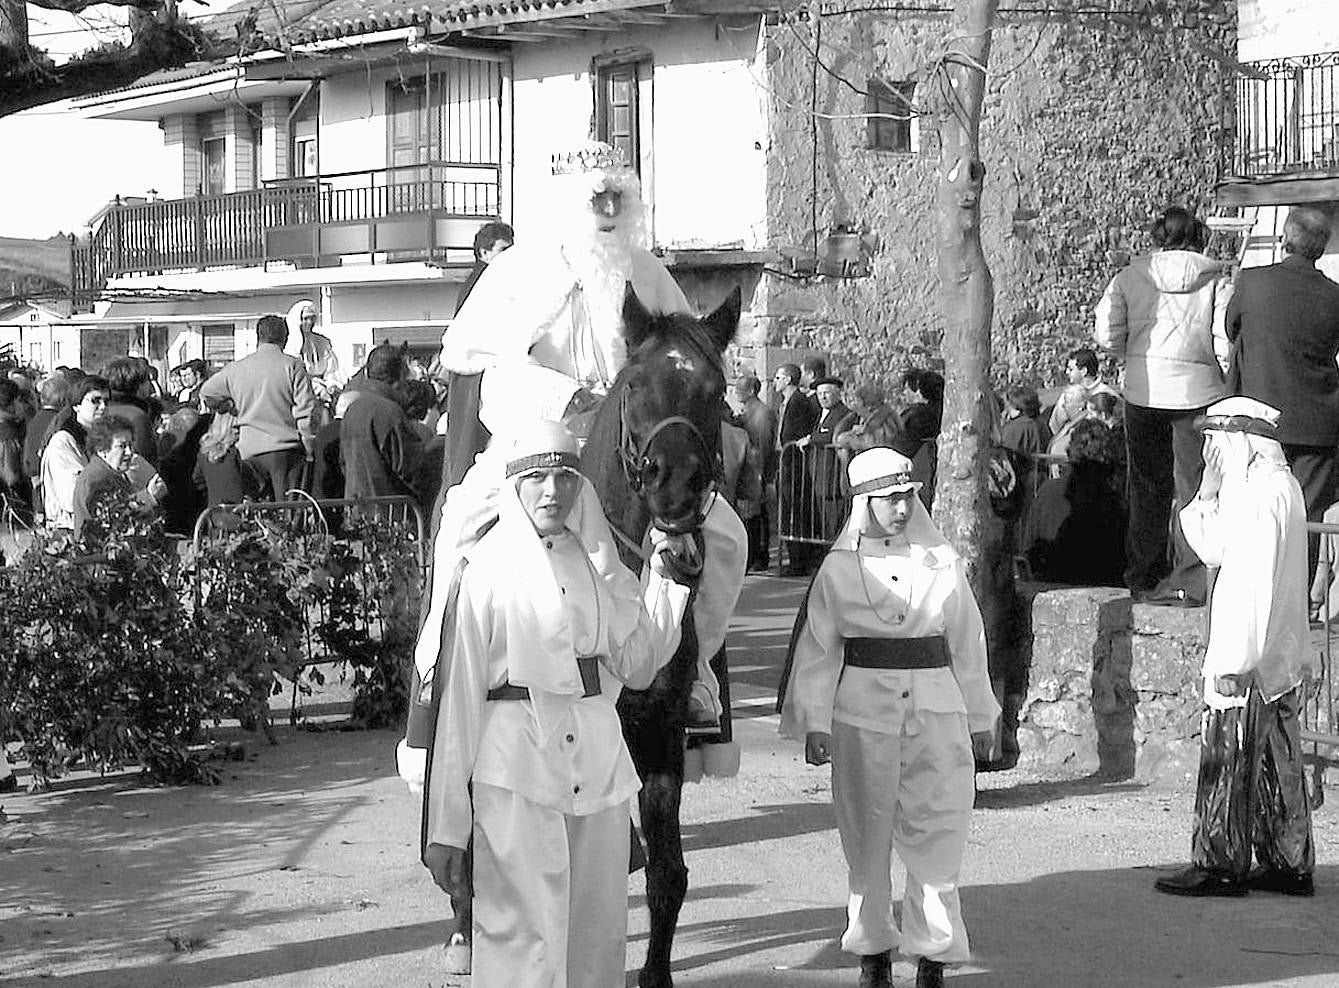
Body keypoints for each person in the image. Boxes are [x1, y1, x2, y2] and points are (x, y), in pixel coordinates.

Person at [421, 420, 699, 988]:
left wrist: (666, 582)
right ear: (515, 486)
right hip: (517, 776)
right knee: (524, 945)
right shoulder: (484, 571)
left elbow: (639, 663)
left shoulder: (597, 569)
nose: (553, 492)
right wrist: (446, 828)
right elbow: (460, 707)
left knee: (598, 940)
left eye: (565, 478)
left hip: (595, 775)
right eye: (538, 478)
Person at [778, 446, 1000, 988]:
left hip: (937, 711)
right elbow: (819, 649)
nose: (901, 508)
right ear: (863, 503)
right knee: (867, 836)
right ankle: (873, 950)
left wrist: (980, 714)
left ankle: (935, 956)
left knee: (940, 832)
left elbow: (967, 642)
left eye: (907, 497)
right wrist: (816, 722)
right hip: (863, 716)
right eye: (888, 499)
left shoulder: (941, 560)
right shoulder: (837, 569)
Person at [1154, 396, 1314, 898]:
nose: (1210, 453)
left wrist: (1235, 660)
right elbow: (1213, 545)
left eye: (1216, 442)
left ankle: (1220, 862)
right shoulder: (1270, 489)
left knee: (1229, 757)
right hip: (1275, 655)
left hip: (1252, 655)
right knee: (1273, 759)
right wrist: (1207, 493)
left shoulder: (1266, 496)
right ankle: (1287, 861)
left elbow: (1252, 584)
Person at [1095, 205, 1230, 606]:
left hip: (1144, 390)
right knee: (1194, 486)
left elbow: (1107, 332)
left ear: (1157, 236)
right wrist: (1221, 378)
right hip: (1198, 393)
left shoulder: (1129, 277)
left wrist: (1129, 357)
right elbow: (1224, 339)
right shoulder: (1215, 281)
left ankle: (1144, 573)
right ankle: (1191, 576)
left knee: (1147, 486)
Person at [1226, 205, 1339, 588]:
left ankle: (1257, 594)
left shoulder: (1252, 282)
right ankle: (1298, 599)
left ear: (1284, 239)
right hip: (1317, 418)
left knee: (1256, 508)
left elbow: (1231, 327)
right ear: (1320, 250)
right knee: (1305, 515)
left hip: (1260, 416)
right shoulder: (1334, 295)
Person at [199, 314, 317, 500]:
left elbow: (207, 392)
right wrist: (310, 449)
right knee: (288, 517)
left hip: (247, 451)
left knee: (256, 515)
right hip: (285, 451)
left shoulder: (235, 369)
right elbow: (305, 413)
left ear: (258, 337)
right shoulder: (293, 366)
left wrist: (228, 405)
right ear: (285, 339)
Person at [1022, 419, 1127, 586]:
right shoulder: (1110, 499)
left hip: (1048, 584)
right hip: (1096, 586)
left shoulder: (1048, 490)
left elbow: (1028, 548)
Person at [340, 344, 422, 501]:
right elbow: (410, 470)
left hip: (356, 508)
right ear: (399, 378)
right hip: (389, 514)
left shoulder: (352, 409)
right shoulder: (390, 412)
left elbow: (344, 463)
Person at [72, 415, 162, 539]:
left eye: (130, 445)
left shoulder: (113, 474)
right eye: (122, 446)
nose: (130, 452)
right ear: (102, 450)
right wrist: (148, 497)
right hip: (99, 554)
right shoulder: (95, 480)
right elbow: (114, 520)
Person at [40, 375, 110, 531]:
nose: (103, 407)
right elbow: (73, 497)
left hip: (97, 527)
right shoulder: (63, 442)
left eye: (107, 401)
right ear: (76, 405)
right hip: (69, 531)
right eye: (95, 401)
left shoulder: (103, 439)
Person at [733, 373, 779, 571]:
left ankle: (758, 556)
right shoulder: (748, 412)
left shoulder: (761, 413)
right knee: (750, 516)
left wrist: (762, 475)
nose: (736, 393)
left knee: (756, 517)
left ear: (751, 391)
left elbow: (762, 445)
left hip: (755, 470)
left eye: (740, 389)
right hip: (749, 470)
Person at [894, 368, 944, 508]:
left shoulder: (917, 415)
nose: (904, 394)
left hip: (918, 471)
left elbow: (901, 443)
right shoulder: (942, 411)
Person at [284, 300, 345, 407]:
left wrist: (332, 385)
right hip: (301, 399)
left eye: (312, 318)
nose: (309, 322)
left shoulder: (322, 342)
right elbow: (297, 376)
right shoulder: (290, 346)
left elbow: (332, 369)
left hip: (325, 396)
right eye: (305, 319)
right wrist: (318, 390)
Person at [1047, 347, 1118, 438]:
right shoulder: (1068, 395)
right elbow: (1054, 425)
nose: (1066, 372)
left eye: (1071, 369)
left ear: (1084, 371)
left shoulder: (1107, 394)